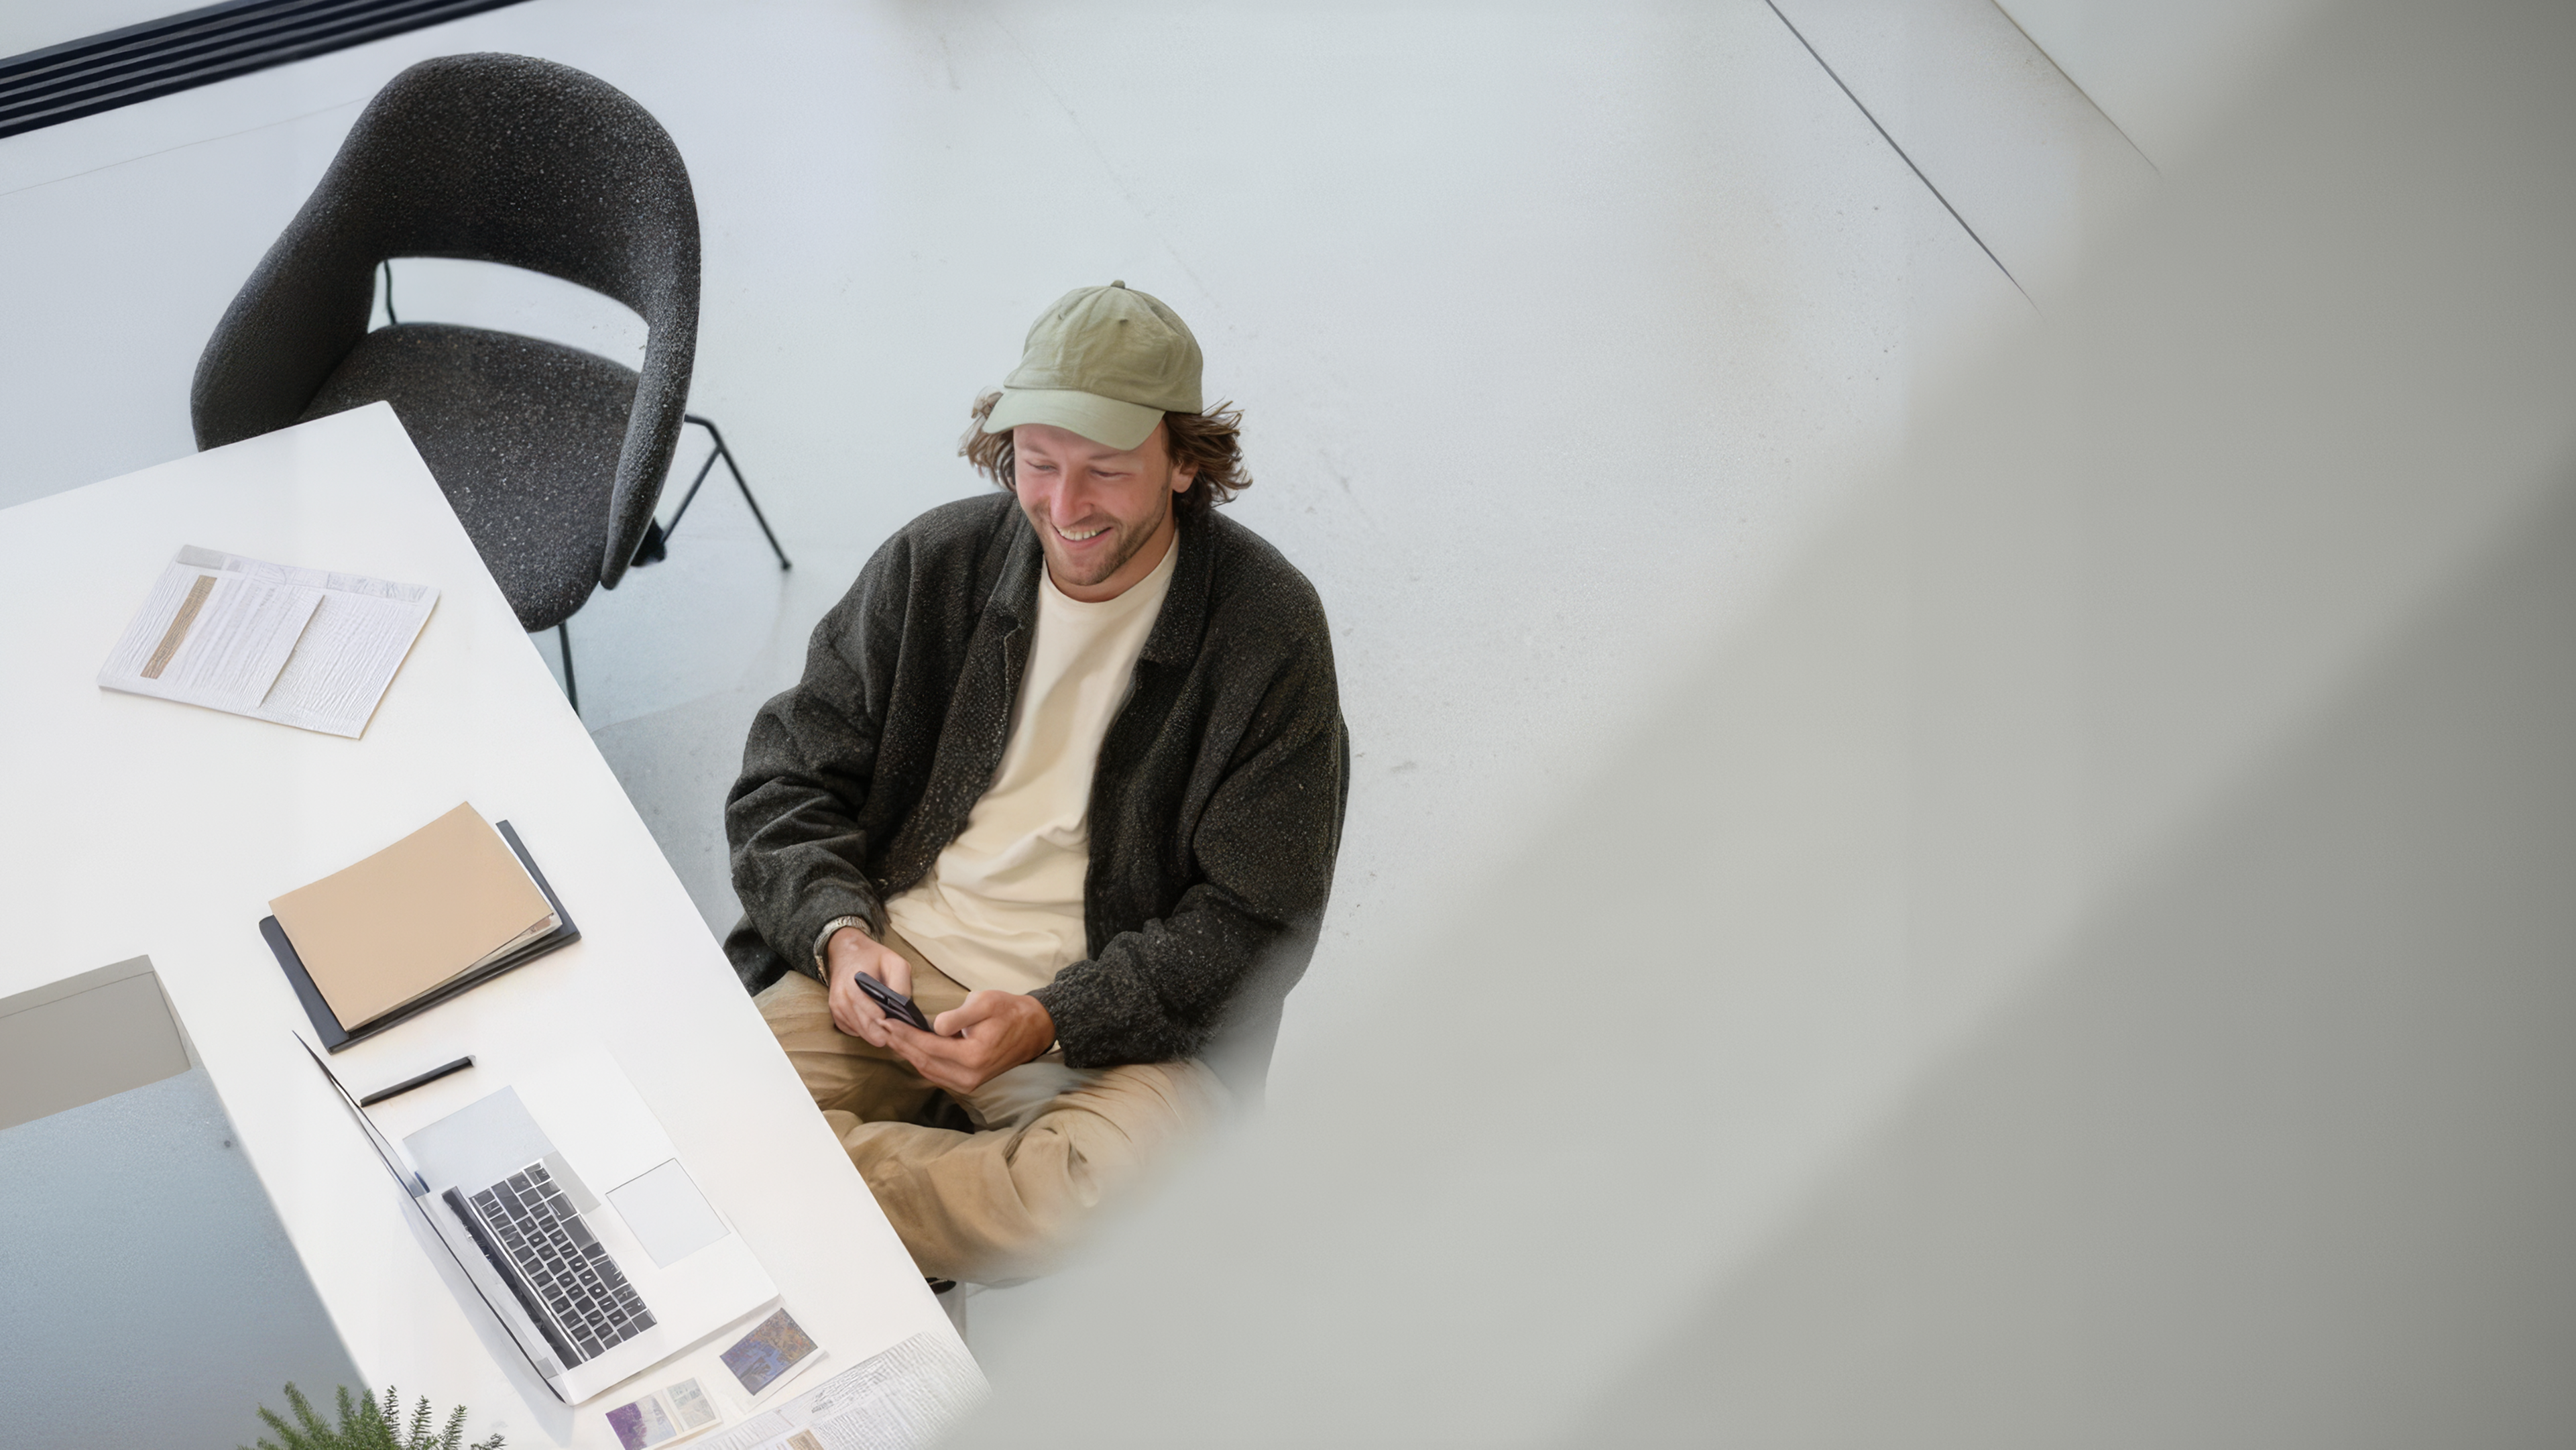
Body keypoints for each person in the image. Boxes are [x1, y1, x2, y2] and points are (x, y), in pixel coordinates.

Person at [723, 282, 1349, 1284]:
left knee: (1094, 1191)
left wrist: (1056, 1016)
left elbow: (1255, 919)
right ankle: (857, 1203)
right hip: (894, 962)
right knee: (712, 1097)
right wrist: (840, 934)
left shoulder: (1264, 630)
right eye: (1038, 462)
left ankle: (775, 1195)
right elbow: (785, 780)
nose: (1063, 508)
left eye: (1105, 471)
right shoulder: (937, 564)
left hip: (1114, 1022)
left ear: (1186, 462)